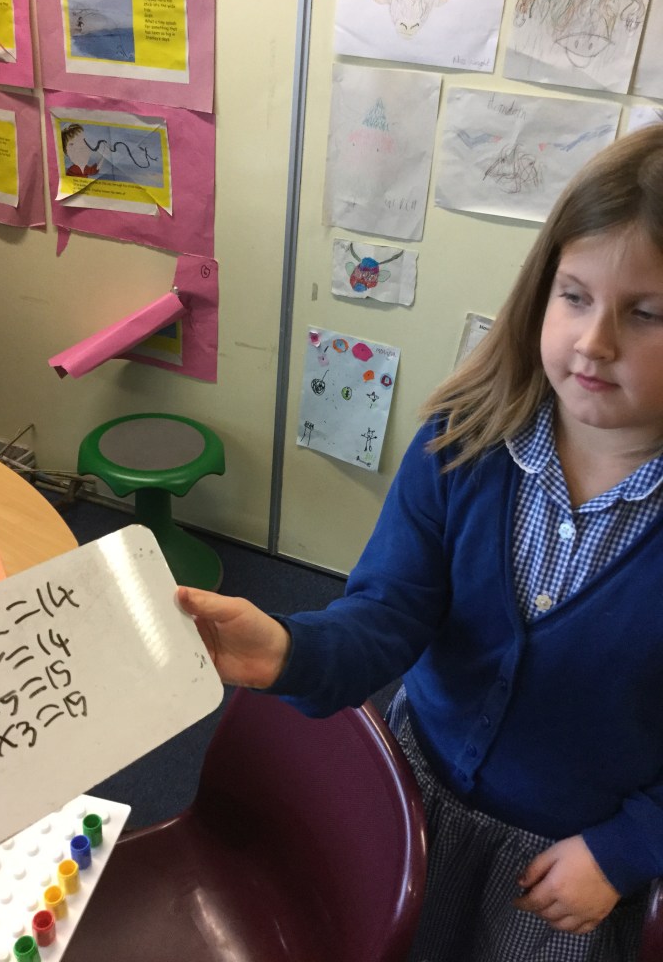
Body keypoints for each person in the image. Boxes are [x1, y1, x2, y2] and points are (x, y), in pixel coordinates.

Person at [177, 123, 663, 962]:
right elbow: (392, 610)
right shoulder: (463, 439)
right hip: (415, 798)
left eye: (646, 313)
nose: (594, 342)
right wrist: (291, 649)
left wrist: (625, 849)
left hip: (568, 863)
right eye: (575, 296)